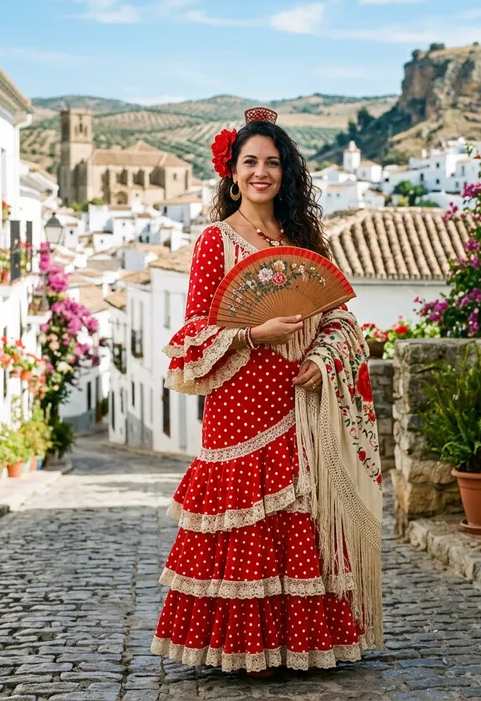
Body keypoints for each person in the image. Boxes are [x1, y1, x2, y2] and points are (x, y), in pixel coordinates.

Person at [151, 107, 383, 675]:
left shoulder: (302, 238)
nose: (262, 172)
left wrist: (322, 360)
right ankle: (245, 649)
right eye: (250, 162)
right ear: (232, 173)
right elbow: (194, 332)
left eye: (273, 163)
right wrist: (256, 331)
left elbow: (340, 319)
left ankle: (299, 643)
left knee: (302, 517)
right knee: (248, 524)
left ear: (286, 173)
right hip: (240, 406)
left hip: (299, 401)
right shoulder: (215, 243)